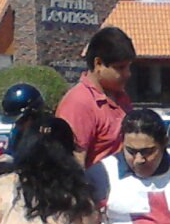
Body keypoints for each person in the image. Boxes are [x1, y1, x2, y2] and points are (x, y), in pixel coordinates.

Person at [56, 26, 135, 167]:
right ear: (98, 64)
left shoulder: (121, 97)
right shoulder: (79, 103)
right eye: (120, 67)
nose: (128, 74)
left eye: (128, 67)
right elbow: (74, 163)